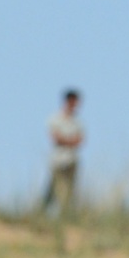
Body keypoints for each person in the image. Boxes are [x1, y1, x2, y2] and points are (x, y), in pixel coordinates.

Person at [43, 89, 84, 228]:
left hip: (72, 160)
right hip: (58, 160)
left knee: (71, 191)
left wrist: (66, 140)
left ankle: (66, 218)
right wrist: (69, 141)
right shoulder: (55, 118)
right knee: (53, 189)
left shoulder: (77, 122)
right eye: (73, 102)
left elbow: (80, 140)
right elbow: (56, 138)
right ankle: (42, 215)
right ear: (67, 101)